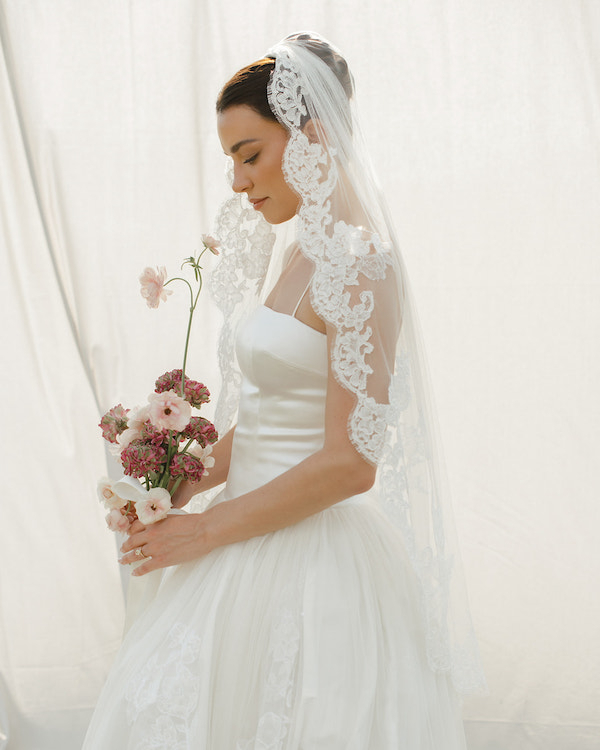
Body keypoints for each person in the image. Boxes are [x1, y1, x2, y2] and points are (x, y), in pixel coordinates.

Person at [82, 32, 484, 749]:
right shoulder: (303, 250)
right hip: (244, 532)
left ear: (313, 134)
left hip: (312, 561)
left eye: (249, 154)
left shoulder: (360, 263)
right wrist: (177, 482)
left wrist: (203, 530)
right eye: (231, 162)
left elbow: (351, 462)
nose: (238, 183)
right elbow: (272, 413)